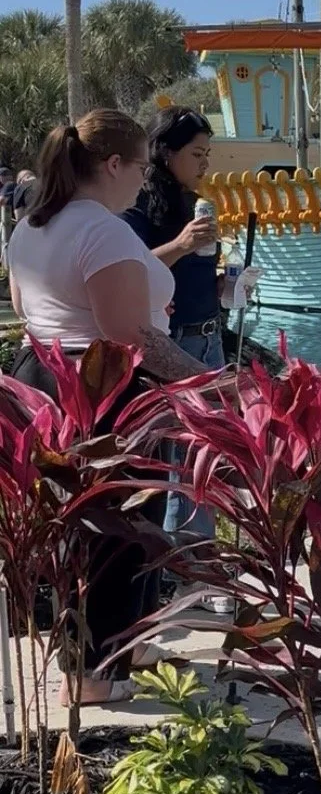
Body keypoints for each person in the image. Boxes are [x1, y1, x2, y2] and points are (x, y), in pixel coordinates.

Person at [5, 110, 203, 705]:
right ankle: (92, 675)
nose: (144, 180)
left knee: (81, 524)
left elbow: (27, 311)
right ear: (113, 164)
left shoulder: (30, 226)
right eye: (141, 167)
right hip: (104, 388)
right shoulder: (104, 230)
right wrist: (209, 382)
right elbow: (130, 334)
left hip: (43, 378)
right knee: (115, 529)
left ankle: (125, 645)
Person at [123, 108, 233, 613]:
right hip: (172, 345)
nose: (205, 163)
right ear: (166, 153)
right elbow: (129, 272)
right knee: (182, 462)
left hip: (209, 336)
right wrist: (181, 243)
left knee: (206, 456)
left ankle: (191, 567)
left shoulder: (195, 202)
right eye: (196, 153)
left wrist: (227, 285)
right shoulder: (139, 207)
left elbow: (193, 276)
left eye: (208, 153)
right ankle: (189, 572)